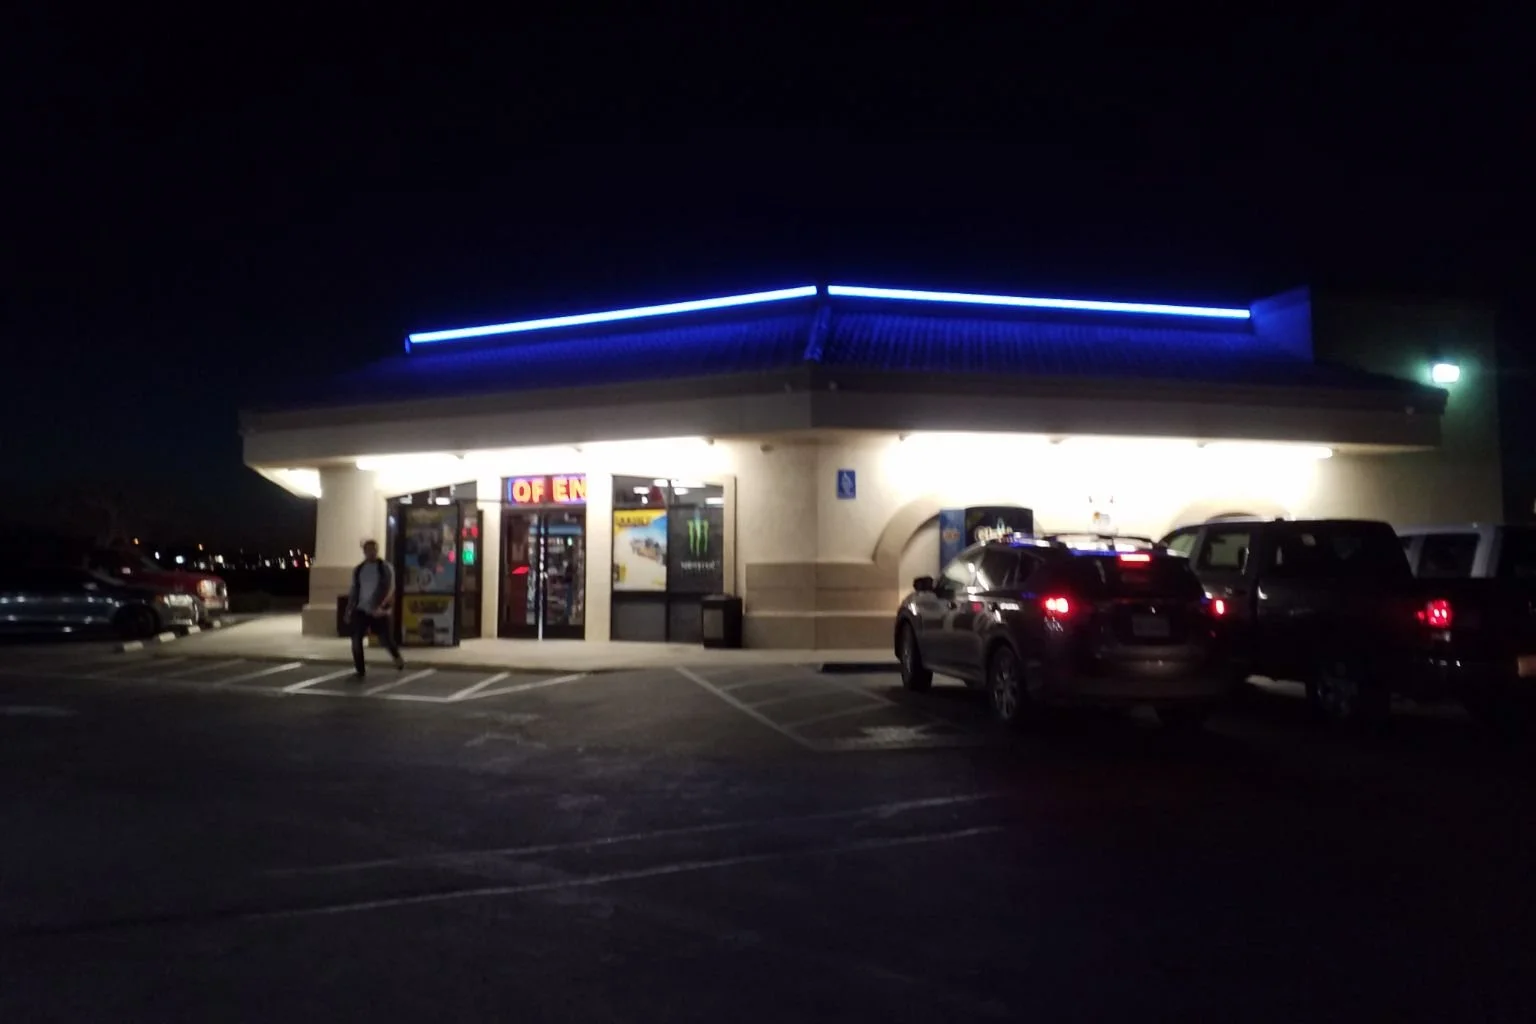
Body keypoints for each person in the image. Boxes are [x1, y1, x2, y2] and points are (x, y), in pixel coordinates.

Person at [346, 539, 405, 680]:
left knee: (385, 639)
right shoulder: (359, 569)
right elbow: (354, 589)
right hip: (361, 609)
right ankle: (360, 669)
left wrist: (381, 606)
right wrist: (349, 609)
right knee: (356, 639)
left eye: (373, 549)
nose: (370, 552)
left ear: (377, 551)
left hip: (378, 610)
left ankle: (397, 658)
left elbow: (390, 588)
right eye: (368, 550)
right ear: (364, 551)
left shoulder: (385, 567)